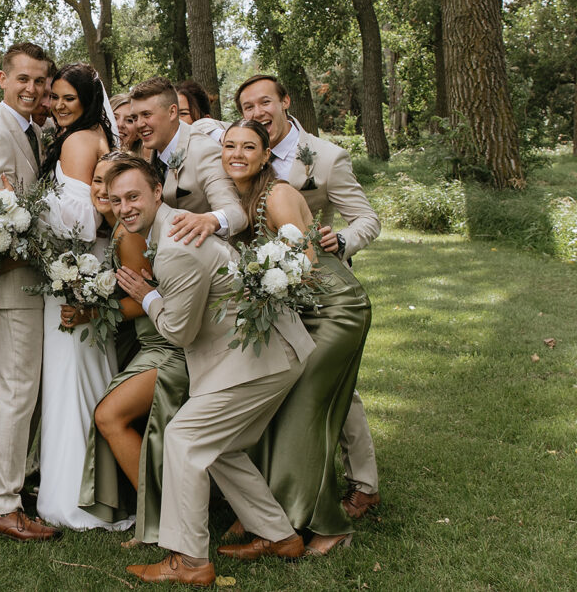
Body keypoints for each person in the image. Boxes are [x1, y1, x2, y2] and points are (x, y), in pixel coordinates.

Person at [106, 155, 315, 586]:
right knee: (221, 448)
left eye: (132, 196)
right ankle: (280, 537)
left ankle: (189, 561)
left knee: (184, 440)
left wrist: (147, 296)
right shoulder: (174, 228)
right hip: (266, 350)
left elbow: (178, 332)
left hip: (260, 358)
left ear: (156, 192)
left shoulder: (175, 249)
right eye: (116, 200)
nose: (124, 207)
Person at [235, 74, 382, 518]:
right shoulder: (241, 148)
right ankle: (278, 485)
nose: (257, 112)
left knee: (336, 388)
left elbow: (367, 219)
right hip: (272, 290)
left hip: (319, 285)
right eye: (247, 106)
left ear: (285, 101)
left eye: (265, 102)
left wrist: (342, 239)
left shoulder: (327, 156)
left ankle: (363, 482)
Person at [34, 63, 132, 531]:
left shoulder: (77, 141)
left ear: (88, 100)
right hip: (88, 269)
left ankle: (74, 500)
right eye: (54, 96)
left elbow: (80, 224)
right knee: (86, 373)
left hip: (73, 272)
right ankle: (98, 492)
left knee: (71, 378)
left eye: (67, 98)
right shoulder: (97, 136)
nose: (57, 105)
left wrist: (25, 208)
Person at [76, 152, 189, 547]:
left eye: (128, 194)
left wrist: (91, 312)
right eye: (109, 190)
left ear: (153, 192)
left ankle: (164, 519)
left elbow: (147, 300)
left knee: (109, 415)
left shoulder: (129, 235)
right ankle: (158, 515)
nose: (117, 201)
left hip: (168, 345)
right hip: (151, 342)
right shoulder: (122, 230)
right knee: (112, 416)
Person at [0, 42, 60, 541]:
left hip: (33, 283)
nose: (32, 88)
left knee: (28, 392)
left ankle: (14, 488)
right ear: (3, 79)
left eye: (39, 80)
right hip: (11, 284)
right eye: (23, 78)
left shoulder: (36, 131)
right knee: (17, 392)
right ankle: (0, 504)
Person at [128, 76, 247, 248]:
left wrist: (210, 220)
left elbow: (236, 213)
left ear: (172, 112)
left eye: (147, 115)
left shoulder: (204, 151)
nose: (139, 124)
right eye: (134, 118)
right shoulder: (151, 151)